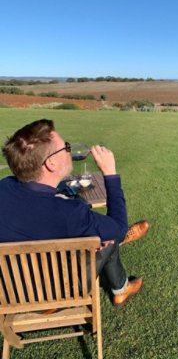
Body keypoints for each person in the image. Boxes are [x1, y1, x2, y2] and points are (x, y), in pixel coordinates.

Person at [0, 119, 150, 307]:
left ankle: (120, 284)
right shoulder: (70, 214)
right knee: (109, 239)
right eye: (66, 148)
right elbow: (118, 227)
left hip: (10, 295)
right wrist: (110, 174)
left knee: (93, 231)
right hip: (57, 294)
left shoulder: (4, 186)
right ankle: (120, 282)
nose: (69, 151)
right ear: (51, 163)